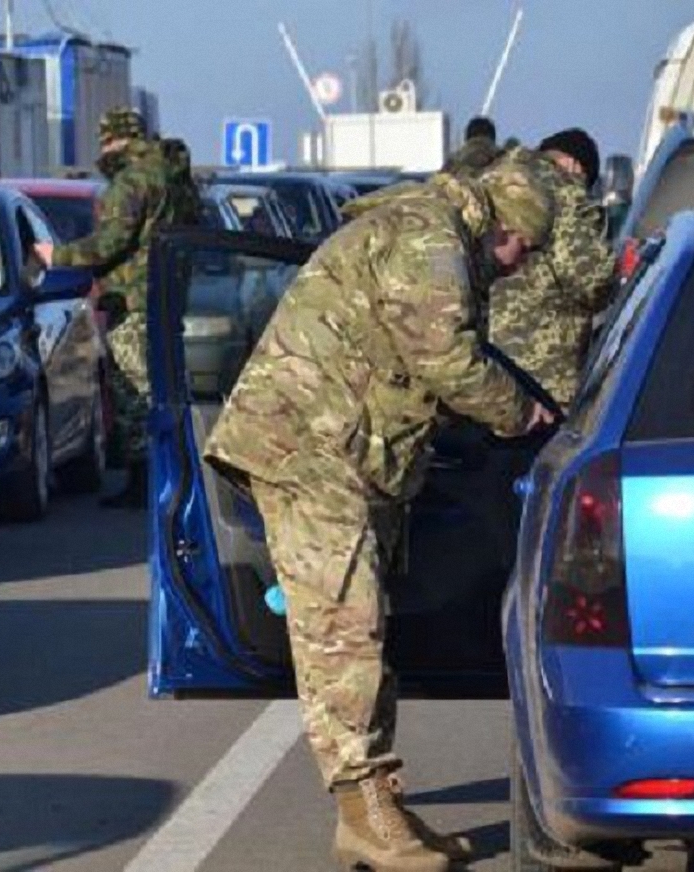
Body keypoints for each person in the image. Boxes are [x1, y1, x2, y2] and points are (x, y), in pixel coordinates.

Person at [203, 163, 557, 872]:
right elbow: (448, 361)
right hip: (307, 449)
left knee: (365, 628)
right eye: (525, 250)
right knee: (344, 630)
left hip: (342, 453)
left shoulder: (435, 232)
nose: (521, 269)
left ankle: (379, 810)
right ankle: (364, 815)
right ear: (506, 228)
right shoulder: (432, 239)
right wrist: (525, 416)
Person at [36, 107, 200, 509]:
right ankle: (165, 475)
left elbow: (110, 243)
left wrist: (55, 255)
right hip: (167, 294)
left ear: (113, 140)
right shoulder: (174, 176)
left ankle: (145, 483)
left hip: (133, 299)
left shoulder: (131, 181)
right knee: (162, 388)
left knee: (133, 391)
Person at [487, 128, 616, 410]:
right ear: (574, 165)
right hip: (542, 377)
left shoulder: (493, 179)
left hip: (483, 370)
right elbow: (593, 280)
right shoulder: (567, 193)